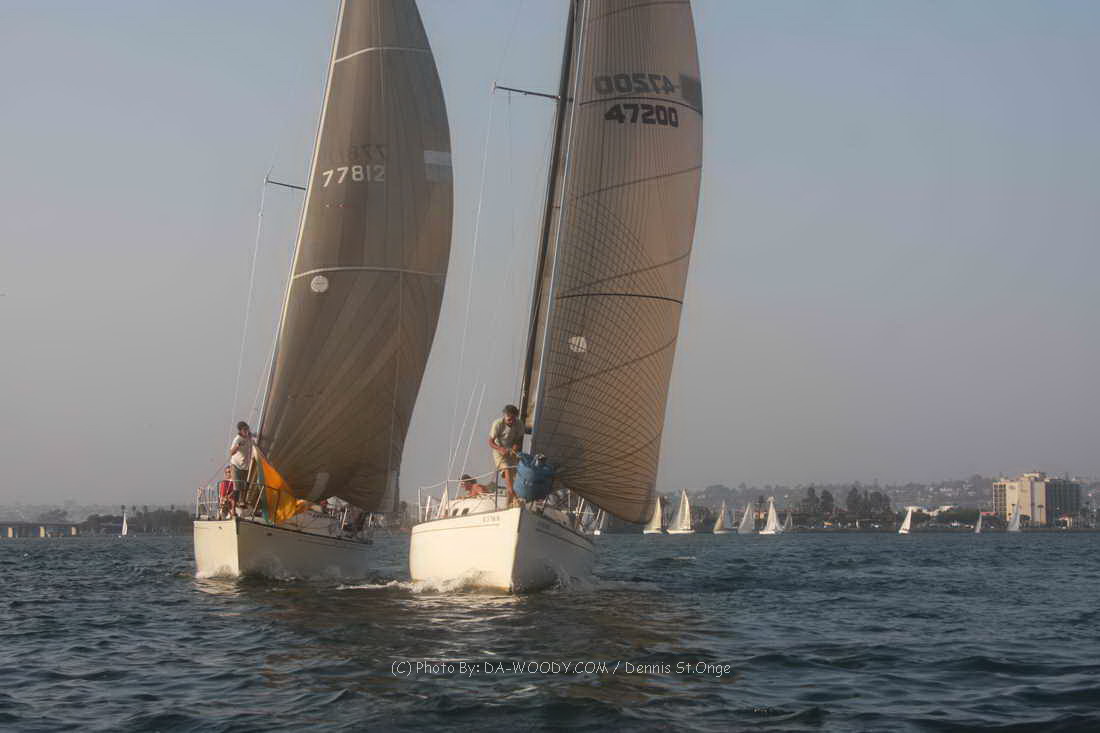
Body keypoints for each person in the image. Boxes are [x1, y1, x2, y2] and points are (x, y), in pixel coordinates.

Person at [488, 404, 523, 504]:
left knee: (515, 474)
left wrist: (515, 447)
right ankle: (513, 494)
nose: (511, 421)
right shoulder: (497, 424)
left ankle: (510, 501)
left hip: (511, 450)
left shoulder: (519, 424)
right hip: (499, 450)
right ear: (505, 416)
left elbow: (519, 440)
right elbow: (490, 441)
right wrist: (500, 449)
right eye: (509, 419)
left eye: (513, 419)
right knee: (507, 469)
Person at [228, 421, 254, 509]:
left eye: (247, 429)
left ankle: (242, 503)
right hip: (236, 465)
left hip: (245, 466)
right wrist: (238, 446)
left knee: (245, 486)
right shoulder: (237, 439)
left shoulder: (249, 437)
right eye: (244, 429)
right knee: (237, 487)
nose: (246, 431)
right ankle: (233, 510)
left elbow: (256, 436)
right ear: (240, 431)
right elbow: (231, 452)